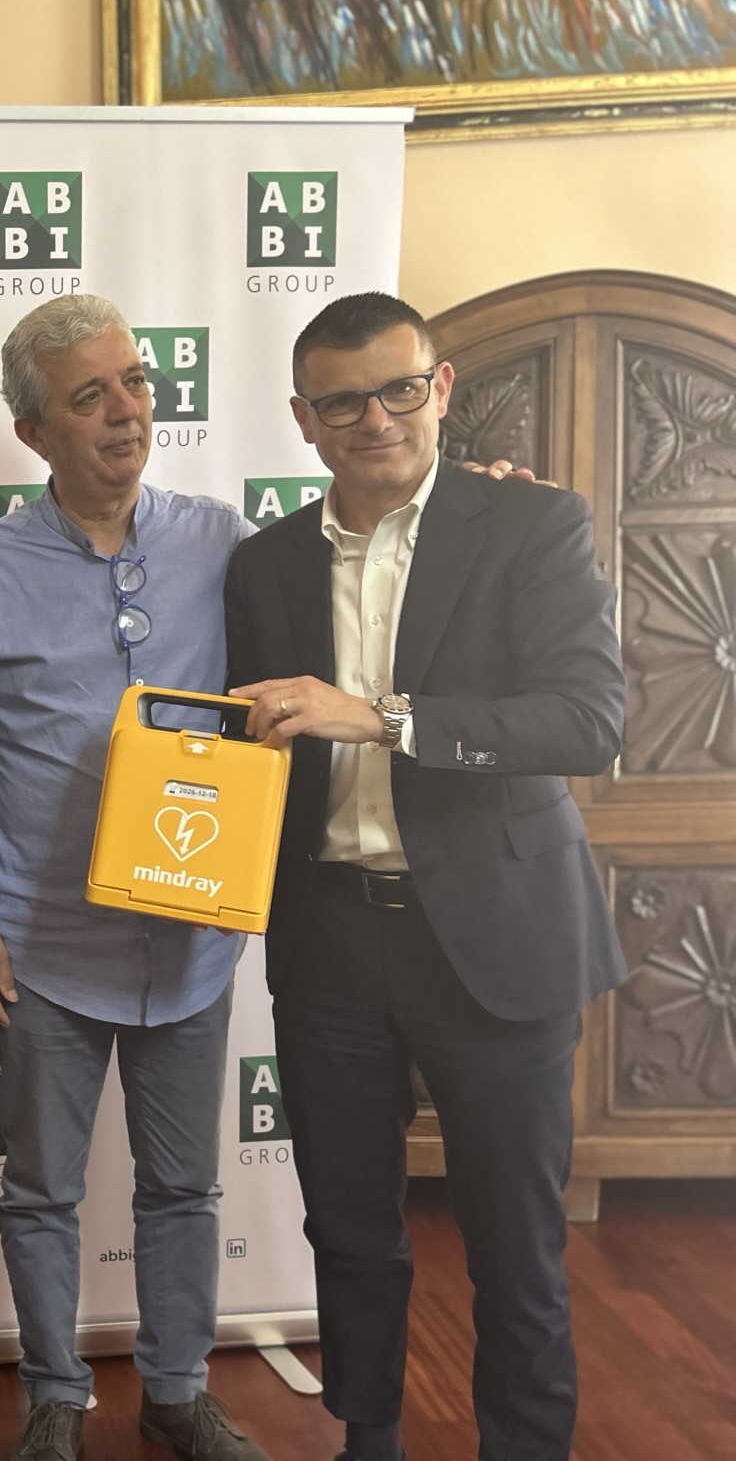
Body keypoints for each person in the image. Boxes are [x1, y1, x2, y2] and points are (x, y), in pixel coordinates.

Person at [225, 292, 625, 1461]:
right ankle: (368, 1441)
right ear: (302, 419)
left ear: (439, 388)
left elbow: (586, 721)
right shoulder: (261, 564)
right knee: (348, 1234)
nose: (375, 419)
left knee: (514, 1244)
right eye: (342, 401)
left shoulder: (530, 523)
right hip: (329, 943)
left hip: (499, 935)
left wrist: (382, 717)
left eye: (399, 389)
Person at [0, 295, 273, 1461]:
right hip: (40, 954)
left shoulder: (221, 542)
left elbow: (341, 582)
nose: (125, 412)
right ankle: (54, 1400)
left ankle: (174, 1394)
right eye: (88, 396)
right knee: (38, 1191)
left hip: (191, 943)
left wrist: (472, 500)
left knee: (182, 1189)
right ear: (33, 432)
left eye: (133, 382)